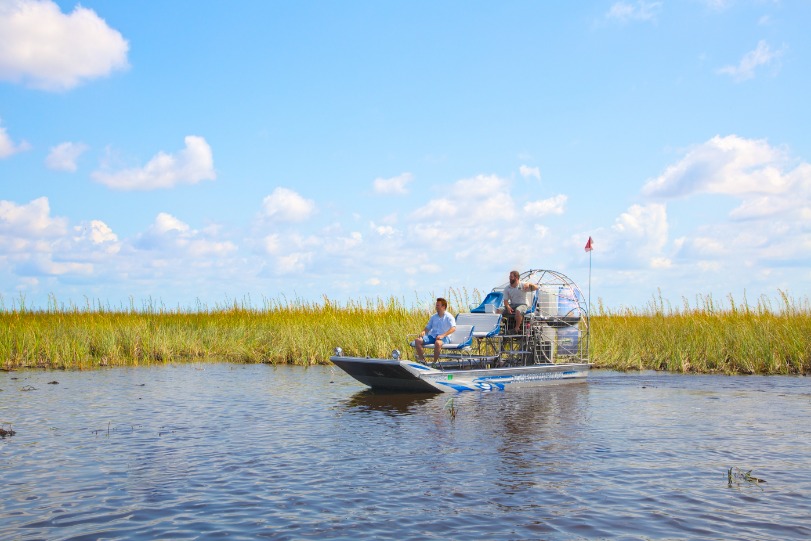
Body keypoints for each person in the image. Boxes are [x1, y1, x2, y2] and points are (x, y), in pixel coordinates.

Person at [415, 297, 456, 363]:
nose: (436, 307)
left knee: (438, 343)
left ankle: (434, 362)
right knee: (417, 340)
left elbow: (453, 328)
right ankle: (422, 361)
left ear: (443, 306)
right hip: (433, 336)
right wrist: (423, 331)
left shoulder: (449, 316)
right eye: (436, 305)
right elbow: (428, 327)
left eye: (438, 305)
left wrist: (443, 335)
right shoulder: (433, 317)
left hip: (444, 337)